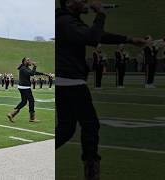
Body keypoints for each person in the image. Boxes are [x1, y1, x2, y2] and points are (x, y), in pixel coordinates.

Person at [56, 0, 146, 179]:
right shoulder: (66, 22)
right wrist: (101, 14)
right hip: (71, 81)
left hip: (66, 81)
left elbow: (96, 34)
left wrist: (128, 39)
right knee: (90, 125)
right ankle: (91, 169)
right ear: (70, 2)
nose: (86, 2)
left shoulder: (68, 20)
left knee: (66, 129)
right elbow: (92, 38)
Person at [7, 57, 47, 123]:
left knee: (24, 101)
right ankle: (32, 118)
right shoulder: (23, 68)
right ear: (24, 62)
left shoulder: (25, 68)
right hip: (25, 87)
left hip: (22, 87)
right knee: (31, 101)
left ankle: (12, 114)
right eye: (28, 60)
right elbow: (31, 73)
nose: (30, 61)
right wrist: (34, 66)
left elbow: (33, 72)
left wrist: (43, 74)